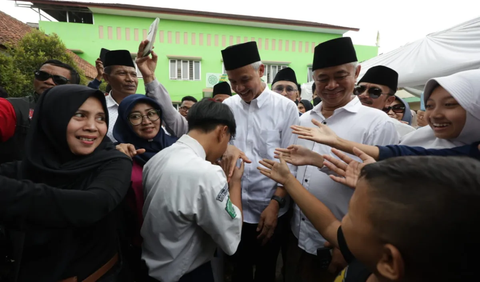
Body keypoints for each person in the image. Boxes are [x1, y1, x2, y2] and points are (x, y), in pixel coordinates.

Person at [258, 154, 480, 282]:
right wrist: (288, 180)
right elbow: (328, 224)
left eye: (351, 216)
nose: (342, 221)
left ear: (389, 262)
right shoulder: (375, 252)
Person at [286, 37, 398, 282]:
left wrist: (348, 246)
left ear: (356, 73)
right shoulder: (304, 120)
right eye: (323, 78)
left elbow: (382, 195)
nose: (331, 85)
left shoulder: (377, 124)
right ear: (314, 79)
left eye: (340, 75)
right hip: (299, 235)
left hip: (341, 245)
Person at [0, 84, 132, 281]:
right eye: (79, 115)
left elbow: (94, 203)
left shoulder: (113, 162)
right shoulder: (26, 167)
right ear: (52, 118)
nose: (92, 126)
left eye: (100, 118)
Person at [219, 41, 299, 282]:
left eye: (244, 80)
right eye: (233, 82)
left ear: (261, 70)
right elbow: (219, 148)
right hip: (234, 207)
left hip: (271, 207)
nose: (239, 88)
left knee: (267, 270)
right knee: (239, 270)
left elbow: (291, 161)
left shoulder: (286, 108)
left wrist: (275, 203)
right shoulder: (227, 106)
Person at [142, 99, 244, 282]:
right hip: (186, 273)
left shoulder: (157, 158)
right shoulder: (206, 173)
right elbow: (231, 235)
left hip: (153, 266)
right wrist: (235, 183)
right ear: (223, 131)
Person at [113, 94, 177, 280]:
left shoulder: (179, 146)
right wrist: (115, 159)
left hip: (177, 240)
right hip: (137, 245)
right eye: (135, 116)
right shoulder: (119, 154)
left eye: (151, 113)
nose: (146, 121)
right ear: (125, 121)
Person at [0, 59, 80, 163]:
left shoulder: (81, 117)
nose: (48, 81)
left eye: (59, 80)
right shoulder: (9, 108)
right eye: (42, 75)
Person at [355, 66, 415, 137]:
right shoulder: (339, 118)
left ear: (389, 101)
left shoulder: (403, 133)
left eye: (374, 92)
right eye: (360, 89)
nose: (363, 95)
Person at [102, 49, 138, 142]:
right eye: (122, 73)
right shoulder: (99, 107)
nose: (130, 79)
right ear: (107, 78)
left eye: (133, 74)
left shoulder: (146, 105)